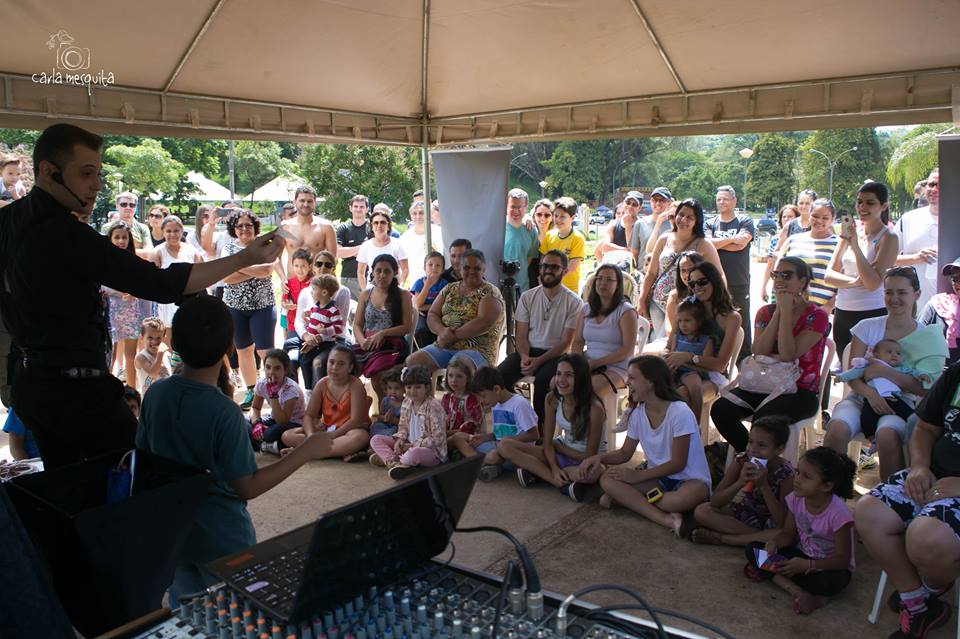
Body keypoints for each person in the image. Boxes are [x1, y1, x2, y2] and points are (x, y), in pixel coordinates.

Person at [134, 295, 331, 603]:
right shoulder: (224, 411)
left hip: (173, 531)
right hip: (222, 537)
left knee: (191, 615)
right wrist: (305, 451)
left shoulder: (156, 395)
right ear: (229, 348)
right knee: (237, 611)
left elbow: (143, 458)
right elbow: (246, 486)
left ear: (175, 344)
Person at [855, 361, 960, 638]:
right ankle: (919, 603)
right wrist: (920, 467)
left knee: (926, 538)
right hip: (933, 475)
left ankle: (931, 585)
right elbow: (926, 427)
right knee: (868, 512)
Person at [823, 267, 947, 480]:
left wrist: (883, 371)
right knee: (837, 428)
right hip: (860, 398)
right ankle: (830, 498)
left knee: (888, 435)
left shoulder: (927, 336)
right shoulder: (866, 327)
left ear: (916, 294)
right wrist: (871, 395)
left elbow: (924, 390)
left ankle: (888, 498)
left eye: (902, 292)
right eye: (889, 292)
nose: (894, 298)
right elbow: (854, 376)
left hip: (902, 403)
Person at [711, 257, 830, 452]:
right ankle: (750, 457)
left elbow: (787, 355)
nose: (780, 280)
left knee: (764, 421)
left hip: (798, 390)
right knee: (721, 409)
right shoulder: (766, 312)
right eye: (776, 274)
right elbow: (759, 351)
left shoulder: (816, 316)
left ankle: (765, 466)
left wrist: (784, 310)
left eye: (787, 275)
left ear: (802, 281)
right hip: (762, 383)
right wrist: (778, 314)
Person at [582, 355, 711, 533]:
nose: (627, 382)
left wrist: (637, 477)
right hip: (658, 480)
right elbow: (625, 453)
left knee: (680, 500)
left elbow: (677, 463)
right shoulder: (637, 414)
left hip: (689, 481)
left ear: (651, 382)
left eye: (633, 378)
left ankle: (635, 501)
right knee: (607, 479)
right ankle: (666, 518)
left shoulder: (680, 412)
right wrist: (599, 458)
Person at [743, 447, 856, 616]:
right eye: (797, 473)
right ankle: (799, 592)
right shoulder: (796, 498)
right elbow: (788, 534)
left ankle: (803, 591)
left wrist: (809, 565)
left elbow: (842, 560)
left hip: (826, 567)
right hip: (800, 557)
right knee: (753, 549)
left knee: (830, 582)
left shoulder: (839, 514)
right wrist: (774, 544)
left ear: (826, 486)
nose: (797, 480)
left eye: (806, 477)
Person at [499, 353, 606, 502]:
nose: (561, 380)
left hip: (584, 462)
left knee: (596, 472)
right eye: (558, 374)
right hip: (558, 454)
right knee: (505, 445)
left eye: (569, 375)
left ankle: (539, 473)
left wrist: (560, 449)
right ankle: (558, 481)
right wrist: (555, 469)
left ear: (581, 378)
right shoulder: (552, 398)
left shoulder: (595, 408)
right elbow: (548, 443)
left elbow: (590, 456)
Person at [498, 250, 583, 423]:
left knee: (543, 382)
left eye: (554, 267)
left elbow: (566, 342)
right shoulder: (528, 297)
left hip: (557, 355)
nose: (547, 270)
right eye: (544, 266)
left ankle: (540, 432)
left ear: (565, 271)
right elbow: (520, 335)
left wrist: (539, 361)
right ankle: (517, 421)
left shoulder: (574, 302)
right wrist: (524, 357)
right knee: (497, 377)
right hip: (529, 352)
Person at [691, 415, 795, 546]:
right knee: (702, 511)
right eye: (750, 442)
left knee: (783, 534)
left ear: (780, 449)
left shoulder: (786, 474)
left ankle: (724, 539)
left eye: (762, 445)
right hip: (747, 516)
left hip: (771, 523)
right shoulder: (742, 460)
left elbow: (782, 520)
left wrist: (764, 486)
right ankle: (755, 539)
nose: (753, 450)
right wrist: (740, 482)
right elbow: (715, 501)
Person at [825, 181, 899, 362]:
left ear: (883, 206)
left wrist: (856, 247)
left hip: (871, 312)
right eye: (859, 202)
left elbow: (874, 284)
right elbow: (828, 276)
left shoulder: (888, 237)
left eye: (870, 203)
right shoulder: (850, 232)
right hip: (843, 312)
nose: (862, 207)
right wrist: (854, 282)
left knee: (866, 371)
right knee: (845, 368)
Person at [221, 209, 283, 410]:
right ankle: (251, 389)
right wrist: (247, 268)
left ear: (255, 227)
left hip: (262, 306)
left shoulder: (265, 246)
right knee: (243, 350)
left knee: (266, 351)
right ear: (233, 228)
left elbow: (266, 271)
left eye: (248, 225)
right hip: (235, 307)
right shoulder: (228, 247)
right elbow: (226, 278)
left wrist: (236, 265)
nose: (244, 229)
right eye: (239, 225)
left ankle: (276, 389)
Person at [638, 198, 724, 340]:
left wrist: (719, 303)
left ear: (697, 221)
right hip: (657, 303)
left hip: (687, 307)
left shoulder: (704, 244)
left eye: (690, 217)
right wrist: (641, 300)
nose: (684, 219)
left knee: (670, 341)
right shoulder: (664, 239)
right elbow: (652, 272)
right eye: (681, 214)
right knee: (660, 340)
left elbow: (719, 276)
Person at [407, 249, 504, 372]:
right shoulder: (449, 288)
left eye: (477, 268)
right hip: (444, 345)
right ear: (460, 269)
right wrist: (442, 331)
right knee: (412, 362)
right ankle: (425, 391)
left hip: (477, 350)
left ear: (484, 269)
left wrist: (451, 337)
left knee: (458, 367)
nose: (471, 272)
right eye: (467, 268)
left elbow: (483, 321)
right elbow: (433, 313)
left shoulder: (490, 292)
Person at [281, 344, 371, 461]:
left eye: (341, 364)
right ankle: (327, 450)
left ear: (350, 368)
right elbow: (309, 415)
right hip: (327, 429)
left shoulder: (356, 385)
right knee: (287, 435)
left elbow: (356, 420)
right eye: (331, 362)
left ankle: (308, 452)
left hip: (349, 431)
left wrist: (333, 435)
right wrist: (310, 436)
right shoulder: (322, 383)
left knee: (360, 437)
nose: (334, 367)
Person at [449, 366, 539, 482]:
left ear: (496, 389)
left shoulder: (519, 404)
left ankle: (477, 462)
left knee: (494, 456)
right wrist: (484, 437)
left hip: (514, 451)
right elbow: (498, 433)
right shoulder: (496, 403)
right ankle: (484, 464)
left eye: (483, 396)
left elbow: (534, 435)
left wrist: (506, 442)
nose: (481, 401)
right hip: (497, 446)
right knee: (459, 437)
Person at [837, 338, 933, 436]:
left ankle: (914, 436)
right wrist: (841, 377)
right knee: (867, 418)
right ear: (877, 356)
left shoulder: (901, 369)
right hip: (872, 399)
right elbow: (854, 372)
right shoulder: (869, 365)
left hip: (894, 399)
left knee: (910, 415)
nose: (894, 355)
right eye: (889, 352)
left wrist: (921, 375)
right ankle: (871, 438)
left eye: (898, 353)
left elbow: (913, 372)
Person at [572, 264, 639, 403]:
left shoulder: (626, 311)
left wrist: (596, 363)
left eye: (609, 280)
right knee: (557, 384)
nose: (603, 283)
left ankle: (591, 424)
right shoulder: (586, 309)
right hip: (588, 363)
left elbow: (628, 350)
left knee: (590, 389)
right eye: (600, 278)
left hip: (617, 367)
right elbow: (578, 340)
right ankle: (567, 423)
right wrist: (578, 362)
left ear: (618, 284)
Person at [352, 254, 414, 400]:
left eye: (387, 271)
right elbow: (357, 324)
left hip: (391, 344)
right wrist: (362, 341)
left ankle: (386, 413)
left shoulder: (402, 295)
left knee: (379, 375)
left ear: (394, 273)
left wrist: (383, 334)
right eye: (378, 271)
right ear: (372, 272)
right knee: (347, 366)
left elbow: (407, 326)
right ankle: (354, 410)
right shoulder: (366, 294)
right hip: (367, 343)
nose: (382, 275)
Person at [369, 365, 448, 480]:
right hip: (408, 442)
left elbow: (437, 438)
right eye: (409, 387)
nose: (412, 391)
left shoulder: (433, 406)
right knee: (375, 439)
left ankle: (394, 459)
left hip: (431, 451)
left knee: (413, 454)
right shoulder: (407, 402)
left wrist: (411, 446)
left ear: (427, 387)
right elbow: (403, 427)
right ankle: (393, 462)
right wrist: (399, 440)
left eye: (417, 387)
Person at [705, 186, 756, 361]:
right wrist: (731, 239)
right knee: (716, 321)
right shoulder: (709, 222)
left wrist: (719, 243)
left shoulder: (745, 221)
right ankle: (718, 359)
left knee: (742, 321)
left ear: (734, 201)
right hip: (715, 282)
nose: (722, 202)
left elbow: (741, 244)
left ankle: (744, 359)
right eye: (719, 199)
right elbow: (708, 244)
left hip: (739, 281)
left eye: (726, 199)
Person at [775, 199, 840, 311]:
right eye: (815, 216)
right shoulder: (793, 240)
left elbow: (843, 282)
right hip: (789, 308)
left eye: (825, 217)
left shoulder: (840, 244)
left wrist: (828, 307)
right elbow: (778, 272)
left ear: (833, 219)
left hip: (821, 313)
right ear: (809, 215)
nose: (819, 220)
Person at [102, 220, 144, 389]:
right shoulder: (104, 260)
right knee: (109, 353)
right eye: (117, 237)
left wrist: (134, 290)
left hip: (130, 310)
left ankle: (133, 391)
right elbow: (102, 285)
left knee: (130, 354)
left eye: (124, 237)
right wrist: (120, 291)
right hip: (111, 308)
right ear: (110, 238)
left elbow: (141, 284)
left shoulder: (133, 260)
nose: (121, 241)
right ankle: (107, 390)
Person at [896, 168, 941, 310]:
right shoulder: (908, 219)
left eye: (940, 185)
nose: (934, 189)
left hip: (952, 313)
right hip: (913, 310)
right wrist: (916, 258)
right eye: (931, 184)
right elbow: (886, 259)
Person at [665, 298, 716, 419]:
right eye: (680, 321)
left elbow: (706, 365)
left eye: (687, 320)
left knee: (694, 388)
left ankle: (695, 421)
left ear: (698, 321)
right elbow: (671, 354)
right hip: (675, 369)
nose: (683, 324)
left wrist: (687, 364)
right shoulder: (677, 337)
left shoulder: (705, 340)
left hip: (692, 371)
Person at [150, 215, 203, 331]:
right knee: (169, 333)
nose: (172, 234)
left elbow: (200, 277)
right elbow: (153, 279)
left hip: (189, 300)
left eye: (176, 231)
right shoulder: (157, 252)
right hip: (167, 301)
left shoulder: (192, 251)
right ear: (163, 232)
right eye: (168, 231)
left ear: (182, 231)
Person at [249, 349, 306, 455]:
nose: (271, 372)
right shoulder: (262, 383)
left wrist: (273, 396)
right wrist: (257, 424)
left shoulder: (291, 389)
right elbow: (255, 408)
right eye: (268, 367)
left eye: (277, 368)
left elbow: (282, 421)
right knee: (244, 421)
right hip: (274, 419)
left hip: (293, 424)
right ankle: (269, 446)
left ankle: (263, 443)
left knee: (270, 433)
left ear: (286, 370)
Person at [278, 185, 337, 279]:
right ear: (294, 202)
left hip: (317, 283)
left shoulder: (326, 227)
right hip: (292, 283)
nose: (306, 204)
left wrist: (324, 279)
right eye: (302, 200)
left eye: (309, 201)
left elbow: (333, 258)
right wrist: (282, 278)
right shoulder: (285, 227)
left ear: (315, 203)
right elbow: (276, 257)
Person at [299, 274, 345, 388]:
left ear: (324, 292)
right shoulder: (315, 307)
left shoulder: (333, 310)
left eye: (314, 289)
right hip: (312, 342)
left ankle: (311, 390)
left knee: (308, 362)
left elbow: (339, 328)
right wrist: (307, 315)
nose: (311, 292)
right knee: (302, 360)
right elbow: (314, 319)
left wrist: (325, 330)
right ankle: (308, 388)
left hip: (324, 344)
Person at [539, 197, 586, 292]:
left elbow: (572, 267)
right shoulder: (549, 235)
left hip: (569, 289)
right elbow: (542, 260)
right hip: (548, 286)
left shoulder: (577, 238)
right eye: (556, 216)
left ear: (572, 218)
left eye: (562, 216)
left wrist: (552, 277)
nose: (558, 219)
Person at [920, 257, 960, 364]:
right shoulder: (937, 304)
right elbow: (918, 339)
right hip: (940, 375)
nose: (957, 282)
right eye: (954, 278)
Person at [357, 211, 409, 288]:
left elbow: (405, 269)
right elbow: (360, 272)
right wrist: (365, 291)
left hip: (393, 290)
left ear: (388, 226)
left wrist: (399, 286)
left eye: (383, 222)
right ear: (371, 226)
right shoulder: (365, 246)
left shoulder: (397, 244)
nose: (379, 225)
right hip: (372, 291)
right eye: (376, 223)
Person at [759, 205, 800, 303]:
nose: (786, 219)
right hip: (779, 283)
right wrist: (764, 286)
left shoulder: (801, 238)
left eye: (790, 216)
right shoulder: (775, 240)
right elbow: (770, 264)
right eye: (784, 217)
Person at [335, 194, 373, 300]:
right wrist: (363, 247)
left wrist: (350, 251)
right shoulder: (343, 228)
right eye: (355, 206)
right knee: (349, 313)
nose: (358, 209)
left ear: (367, 209)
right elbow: (338, 252)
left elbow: (374, 251)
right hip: (348, 277)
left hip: (369, 277)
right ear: (350, 208)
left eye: (362, 207)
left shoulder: (372, 228)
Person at [662, 251, 707, 337]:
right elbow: (669, 327)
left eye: (690, 270)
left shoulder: (706, 294)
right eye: (683, 270)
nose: (687, 275)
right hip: (676, 341)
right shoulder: (674, 295)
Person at [504, 188, 540, 293]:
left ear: (526, 207)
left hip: (522, 286)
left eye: (519, 207)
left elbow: (529, 258)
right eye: (512, 207)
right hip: (499, 285)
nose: (516, 211)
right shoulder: (498, 227)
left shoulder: (532, 231)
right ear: (506, 206)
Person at [400, 200, 443, 285]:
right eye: (414, 213)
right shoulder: (405, 237)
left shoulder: (439, 232)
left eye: (421, 213)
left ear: (429, 214)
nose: (418, 216)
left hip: (437, 282)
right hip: (414, 283)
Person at [632, 186, 677, 264]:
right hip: (643, 272)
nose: (658, 203)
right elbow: (634, 253)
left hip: (665, 273)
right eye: (655, 200)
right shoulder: (640, 223)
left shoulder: (674, 224)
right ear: (650, 201)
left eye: (662, 200)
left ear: (669, 203)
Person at [411, 251, 446, 347]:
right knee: (420, 328)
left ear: (443, 270)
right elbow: (417, 305)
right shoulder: (419, 283)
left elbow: (445, 305)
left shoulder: (445, 284)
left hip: (439, 314)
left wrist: (426, 307)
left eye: (438, 265)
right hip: (422, 314)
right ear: (424, 268)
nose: (434, 267)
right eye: (430, 264)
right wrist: (426, 286)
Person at [596, 191, 641, 263]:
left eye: (634, 204)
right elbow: (604, 246)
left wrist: (628, 226)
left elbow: (634, 253)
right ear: (624, 203)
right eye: (628, 203)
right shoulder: (613, 223)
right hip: (613, 267)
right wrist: (626, 250)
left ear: (640, 208)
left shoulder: (642, 225)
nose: (630, 206)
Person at [441, 357, 482, 435]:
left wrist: (447, 433)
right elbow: (442, 418)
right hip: (447, 434)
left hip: (465, 436)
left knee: (457, 438)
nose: (454, 380)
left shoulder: (472, 399)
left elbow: (472, 425)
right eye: (450, 376)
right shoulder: (447, 398)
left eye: (459, 376)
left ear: (468, 378)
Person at [282, 248, 314, 340]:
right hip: (293, 325)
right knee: (292, 349)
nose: (299, 269)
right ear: (292, 266)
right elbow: (285, 301)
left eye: (303, 266)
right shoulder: (289, 283)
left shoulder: (314, 283)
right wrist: (287, 305)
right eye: (296, 266)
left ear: (310, 266)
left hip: (310, 326)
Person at [135, 316, 171, 395]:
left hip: (166, 396)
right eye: (150, 337)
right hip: (150, 399)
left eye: (158, 338)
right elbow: (152, 373)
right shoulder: (141, 357)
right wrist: (160, 354)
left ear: (164, 338)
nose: (154, 341)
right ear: (142, 338)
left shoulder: (166, 355)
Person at [527, 198, 554, 288]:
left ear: (552, 217)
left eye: (547, 215)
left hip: (551, 283)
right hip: (530, 283)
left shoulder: (556, 237)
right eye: (539, 214)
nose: (543, 218)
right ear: (534, 216)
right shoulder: (529, 232)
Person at [370, 368, 404, 437]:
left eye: (397, 388)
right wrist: (384, 418)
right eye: (390, 388)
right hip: (385, 425)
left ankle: (385, 439)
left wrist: (393, 420)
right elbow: (380, 416)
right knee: (375, 426)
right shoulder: (385, 401)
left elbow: (405, 423)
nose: (393, 392)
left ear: (404, 389)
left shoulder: (406, 403)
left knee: (395, 431)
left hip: (397, 426)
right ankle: (379, 439)